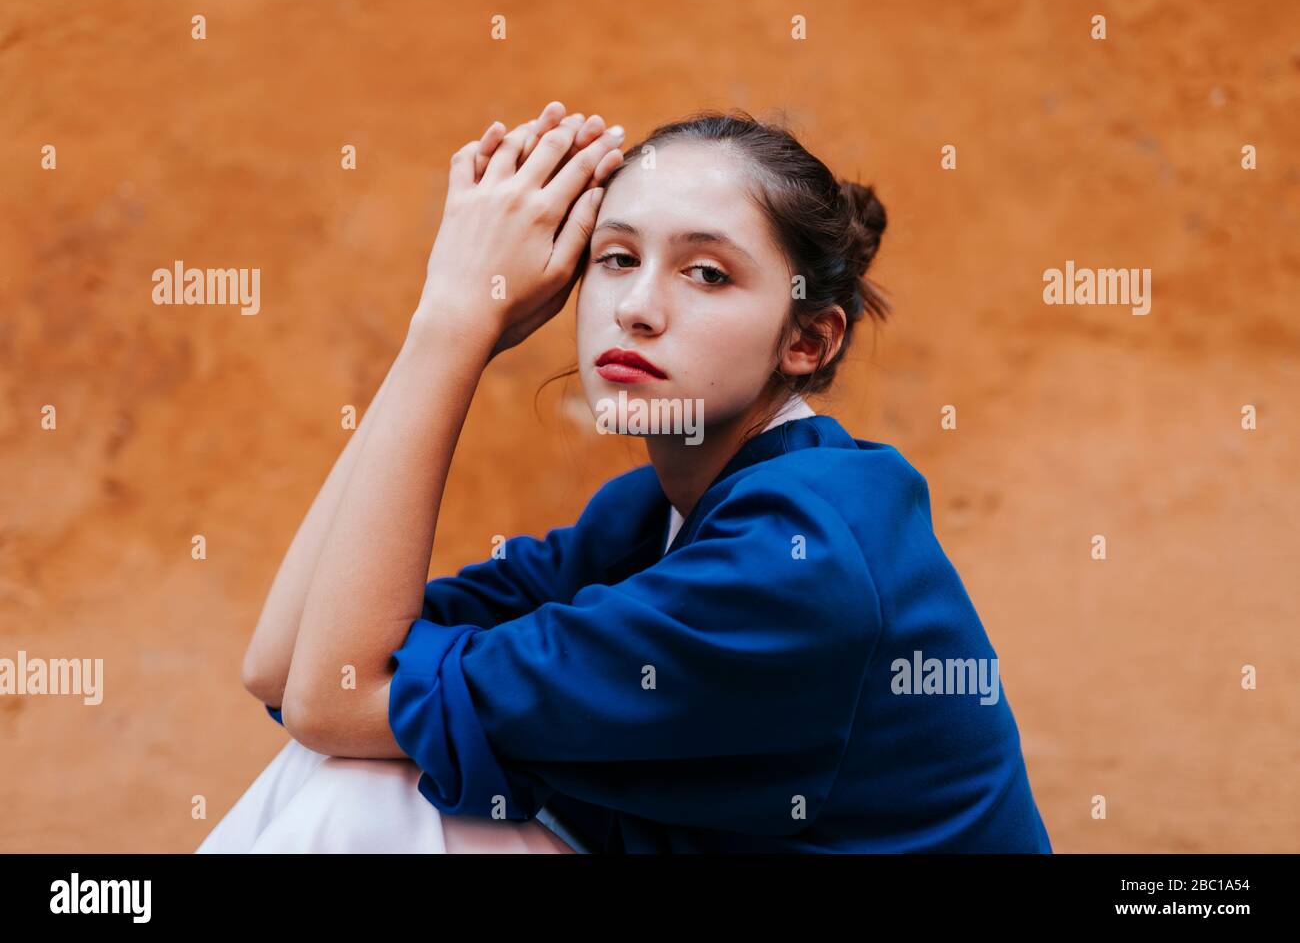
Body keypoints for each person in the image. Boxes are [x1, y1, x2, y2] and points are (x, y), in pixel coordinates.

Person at [205, 100, 1053, 853]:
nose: (638, 307)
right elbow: (285, 667)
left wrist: (453, 324)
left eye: (707, 273)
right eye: (615, 259)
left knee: (361, 799)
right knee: (355, 777)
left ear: (807, 341)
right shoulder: (646, 519)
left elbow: (336, 696)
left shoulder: (798, 558)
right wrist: (442, 328)